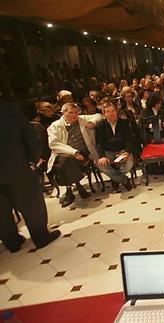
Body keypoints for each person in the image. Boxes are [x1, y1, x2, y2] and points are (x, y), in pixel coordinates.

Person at [0, 104, 61, 253]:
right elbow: (31, 138)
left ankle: (12, 242)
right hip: (19, 168)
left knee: (1, 210)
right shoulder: (10, 111)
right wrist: (32, 161)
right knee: (31, 205)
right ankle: (41, 238)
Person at [47, 103, 103, 207]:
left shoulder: (81, 119)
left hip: (83, 152)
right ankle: (78, 186)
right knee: (66, 160)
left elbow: (99, 116)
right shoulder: (55, 126)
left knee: (64, 163)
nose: (74, 115)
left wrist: (92, 123)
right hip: (65, 153)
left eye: (76, 112)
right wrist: (74, 152)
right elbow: (53, 144)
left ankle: (69, 191)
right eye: (71, 112)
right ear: (63, 113)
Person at [95, 101, 134, 192]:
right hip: (108, 152)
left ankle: (115, 179)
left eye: (113, 110)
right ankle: (124, 180)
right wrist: (102, 157)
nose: (111, 113)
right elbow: (98, 142)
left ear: (116, 111)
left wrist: (127, 152)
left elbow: (129, 139)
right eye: (108, 111)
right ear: (104, 113)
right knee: (101, 165)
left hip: (122, 150)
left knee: (128, 165)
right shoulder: (100, 125)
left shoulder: (124, 123)